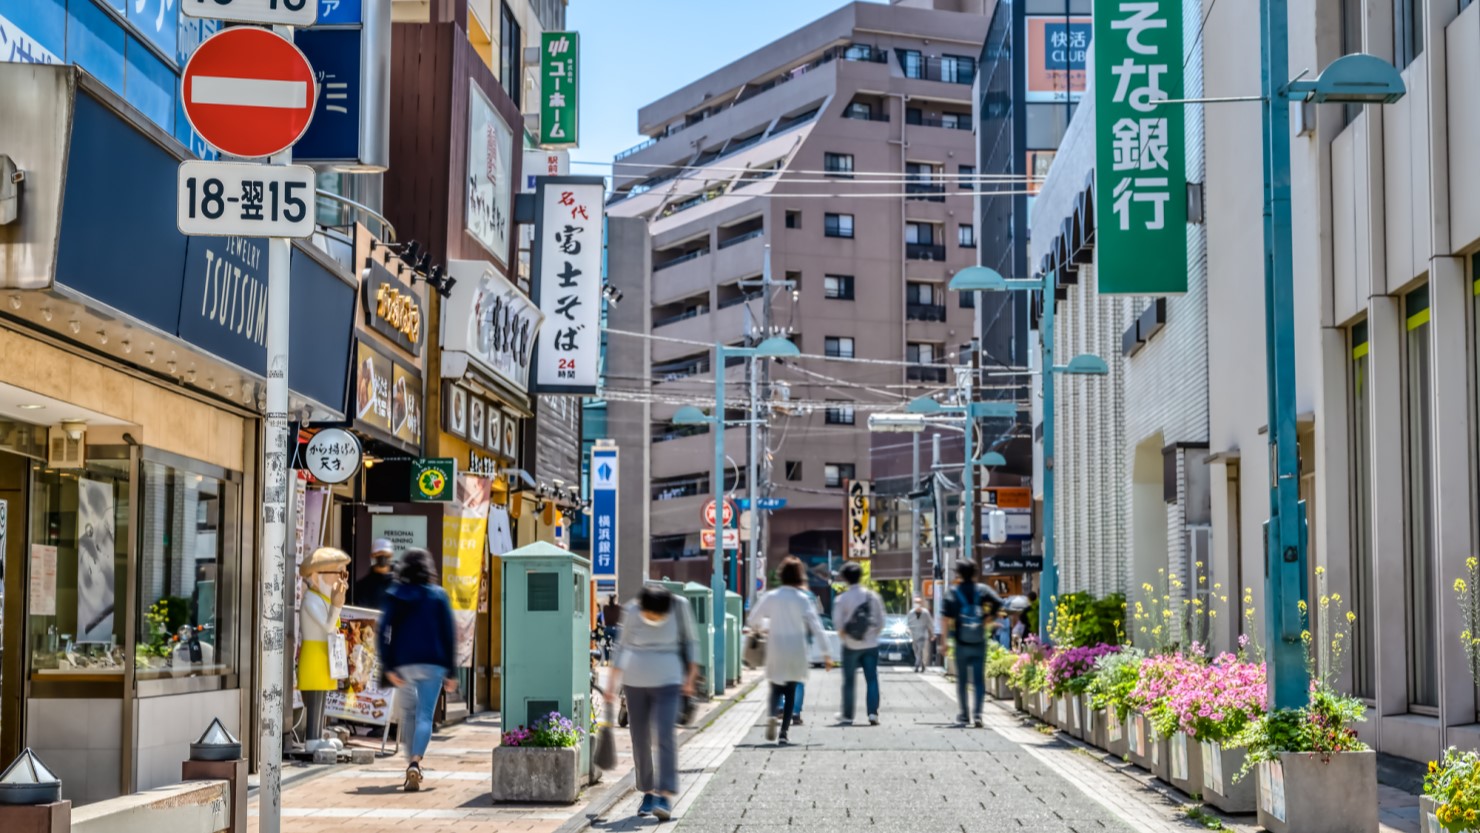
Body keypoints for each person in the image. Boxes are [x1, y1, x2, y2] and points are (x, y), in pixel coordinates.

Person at [606, 584, 699, 821]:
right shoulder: (633, 610)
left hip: (669, 680)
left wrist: (690, 677)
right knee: (640, 737)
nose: (653, 619)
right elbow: (621, 646)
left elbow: (690, 641)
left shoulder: (679, 606)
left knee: (665, 734)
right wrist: (611, 685)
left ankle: (664, 796)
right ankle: (647, 792)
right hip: (635, 681)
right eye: (649, 614)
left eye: (657, 616)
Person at [377, 548, 457, 792]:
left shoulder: (395, 594)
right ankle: (415, 762)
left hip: (403, 666)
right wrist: (452, 672)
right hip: (433, 665)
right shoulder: (439, 596)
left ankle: (411, 763)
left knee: (408, 714)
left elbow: (382, 631)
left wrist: (388, 665)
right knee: (424, 716)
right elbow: (449, 634)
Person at [750, 557, 832, 745]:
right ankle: (784, 733)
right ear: (799, 577)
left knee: (775, 687)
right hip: (796, 649)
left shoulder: (771, 596)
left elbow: (753, 620)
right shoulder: (803, 599)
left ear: (781, 576)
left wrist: (767, 625)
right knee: (790, 691)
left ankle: (771, 717)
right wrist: (826, 653)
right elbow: (817, 626)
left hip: (776, 648)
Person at [942, 559, 1004, 728]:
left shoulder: (953, 592)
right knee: (978, 680)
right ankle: (978, 715)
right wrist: (987, 619)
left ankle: (964, 715)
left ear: (959, 574)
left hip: (961, 642)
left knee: (962, 680)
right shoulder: (982, 590)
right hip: (979, 641)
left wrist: (944, 642)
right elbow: (999, 602)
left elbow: (945, 618)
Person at [832, 562, 885, 725]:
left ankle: (848, 716)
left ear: (846, 579)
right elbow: (881, 621)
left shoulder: (842, 599)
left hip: (850, 646)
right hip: (870, 645)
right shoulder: (872, 596)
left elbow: (838, 625)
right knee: (872, 679)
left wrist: (849, 639)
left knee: (849, 681)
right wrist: (870, 636)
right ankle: (872, 714)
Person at [355, 539, 396, 610]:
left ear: (391, 556)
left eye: (385, 554)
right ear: (372, 556)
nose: (382, 557)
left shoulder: (400, 584)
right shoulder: (363, 586)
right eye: (379, 553)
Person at [906, 596, 936, 672]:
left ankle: (917, 665)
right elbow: (908, 624)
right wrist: (908, 630)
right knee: (916, 650)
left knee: (921, 650)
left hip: (923, 635)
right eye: (916, 602)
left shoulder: (925, 613)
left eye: (919, 602)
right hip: (914, 636)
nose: (917, 604)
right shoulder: (911, 613)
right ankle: (922, 664)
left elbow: (930, 624)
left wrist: (933, 634)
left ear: (921, 604)